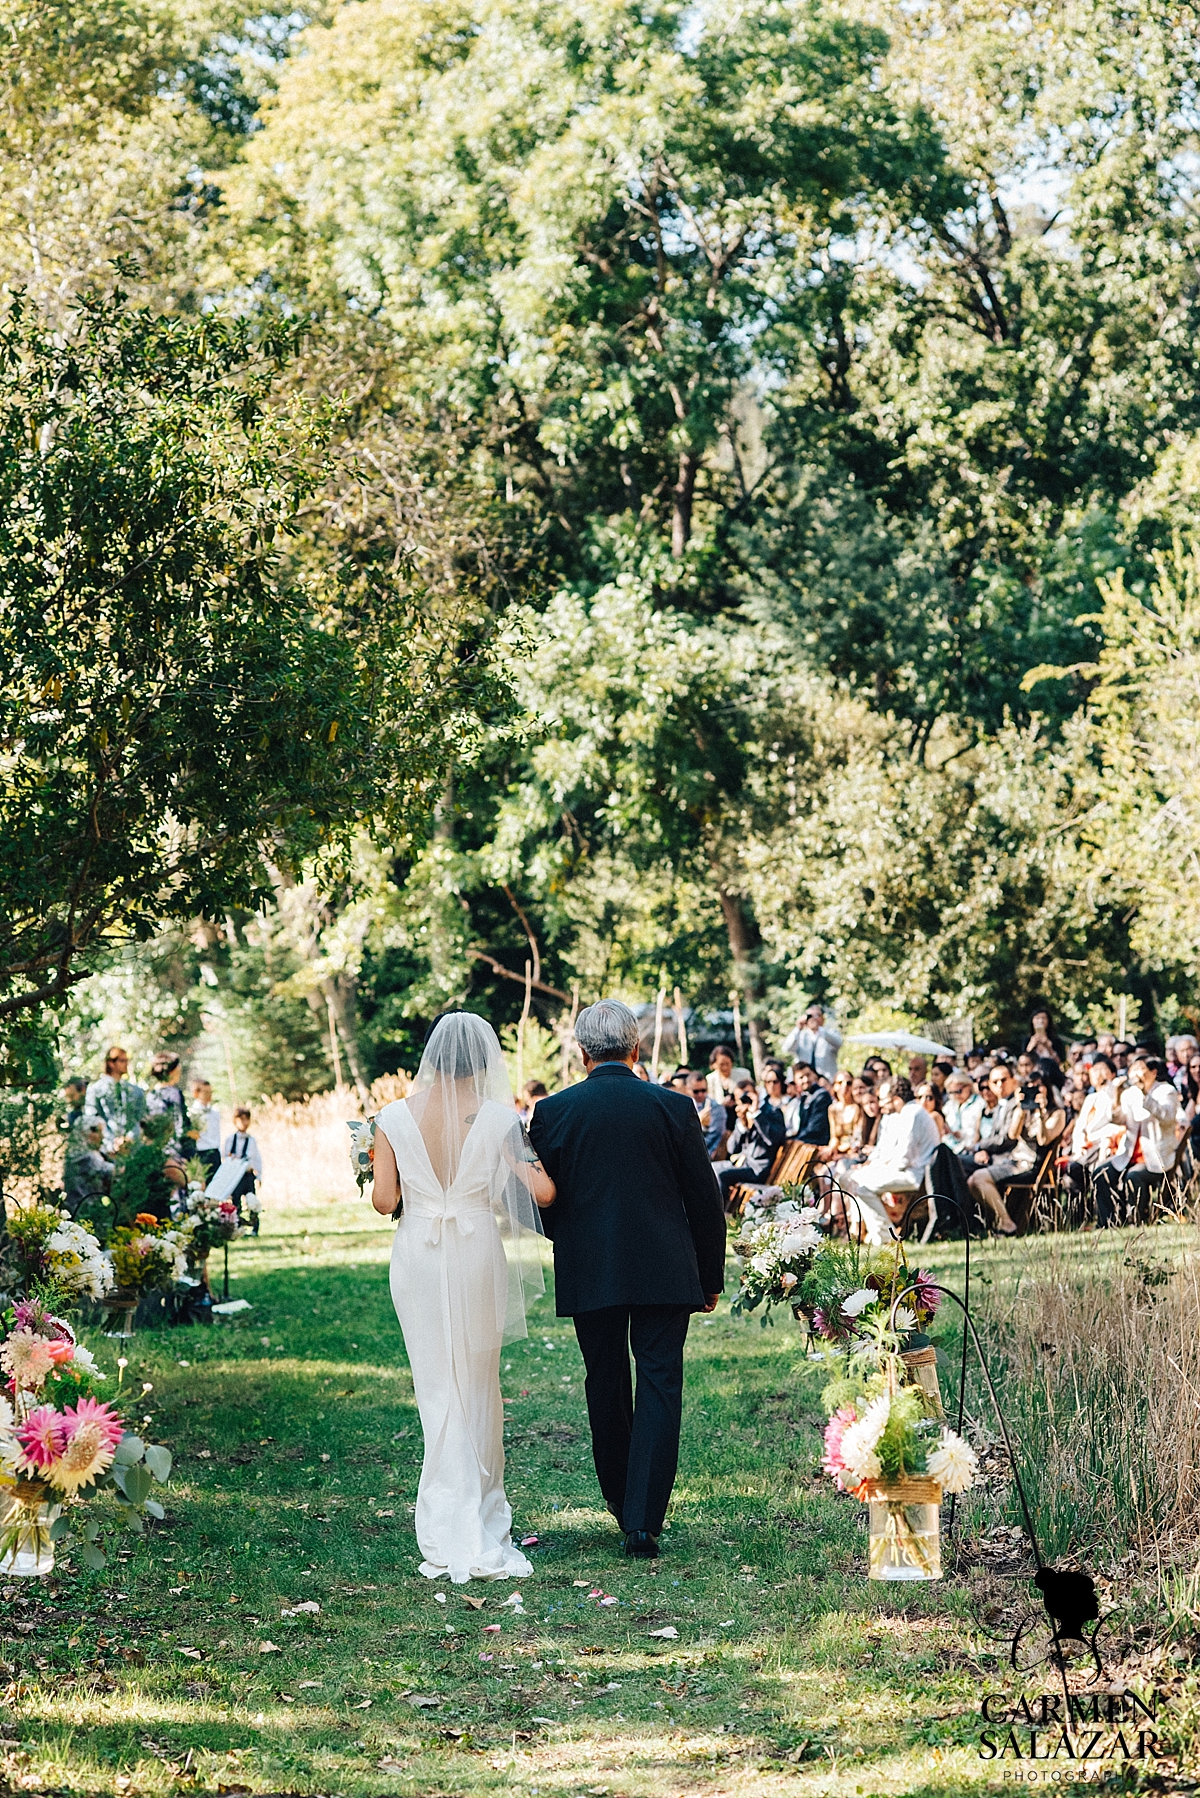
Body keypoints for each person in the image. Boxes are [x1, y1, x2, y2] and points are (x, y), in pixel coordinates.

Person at [529, 998, 724, 1559]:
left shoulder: (555, 1112)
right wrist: (707, 1274)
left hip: (591, 1269)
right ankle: (643, 1519)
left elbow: (542, 1201)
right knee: (661, 1381)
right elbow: (703, 1200)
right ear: (635, 1049)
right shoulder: (673, 1106)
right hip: (666, 1266)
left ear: (582, 1052)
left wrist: (572, 1241)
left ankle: (621, 1502)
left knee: (605, 1380)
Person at [370, 1011, 553, 1583]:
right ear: (483, 1063)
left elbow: (382, 1201)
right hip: (475, 1252)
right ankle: (477, 1507)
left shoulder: (392, 1117)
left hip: (419, 1255)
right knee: (478, 1378)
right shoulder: (500, 1119)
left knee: (434, 1381)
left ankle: (445, 1514)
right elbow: (541, 1192)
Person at [845, 1077, 939, 1243]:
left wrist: (877, 1170)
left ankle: (885, 1237)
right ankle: (876, 1234)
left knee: (862, 1186)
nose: (880, 1104)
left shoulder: (912, 1114)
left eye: (883, 1099)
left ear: (896, 1099)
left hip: (914, 1175)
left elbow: (904, 1158)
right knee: (856, 1180)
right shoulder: (909, 1113)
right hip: (909, 1170)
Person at [969, 1071, 1064, 1232]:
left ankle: (1007, 1224)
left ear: (1046, 1088)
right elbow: (1013, 1134)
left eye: (1039, 1086)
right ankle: (998, 1222)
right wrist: (1021, 1110)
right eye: (1031, 1087)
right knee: (972, 1182)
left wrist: (1040, 1113)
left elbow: (1043, 1140)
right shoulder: (1024, 1110)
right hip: (1014, 1161)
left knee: (979, 1179)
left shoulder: (1057, 1113)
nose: (1035, 1090)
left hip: (1032, 1165)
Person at [1094, 1056, 1184, 1226]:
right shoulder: (1130, 1093)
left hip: (1156, 1156)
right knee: (1100, 1172)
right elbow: (1119, 1119)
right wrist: (1116, 1098)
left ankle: (1136, 1220)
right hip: (1128, 1154)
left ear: (1153, 1071)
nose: (1135, 1073)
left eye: (1140, 1068)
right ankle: (1107, 1222)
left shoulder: (1167, 1091)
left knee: (1134, 1176)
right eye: (1133, 1068)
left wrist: (1145, 1095)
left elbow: (1167, 1117)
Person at [713, 1077, 786, 1210]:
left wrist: (756, 1113)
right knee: (711, 1168)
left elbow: (772, 1140)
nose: (744, 1101)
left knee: (722, 1175)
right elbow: (731, 1148)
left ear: (756, 1094)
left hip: (758, 1168)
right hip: (743, 1163)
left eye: (747, 1095)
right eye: (740, 1098)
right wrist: (742, 1125)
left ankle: (720, 1214)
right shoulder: (742, 1116)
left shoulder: (772, 1112)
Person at [1061, 1056, 1122, 1202]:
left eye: (1102, 1070)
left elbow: (1114, 1122)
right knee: (1069, 1175)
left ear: (1112, 1074)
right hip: (1087, 1147)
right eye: (1094, 1071)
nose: (1097, 1074)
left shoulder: (1116, 1094)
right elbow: (1080, 1126)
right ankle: (1080, 1215)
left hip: (1105, 1144)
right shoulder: (1091, 1098)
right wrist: (1080, 1145)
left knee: (1078, 1169)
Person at [83, 1046, 147, 1152]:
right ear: (111, 1063)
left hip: (131, 1149)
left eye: (127, 1060)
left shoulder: (135, 1091)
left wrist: (129, 1138)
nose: (126, 1064)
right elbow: (92, 1118)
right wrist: (111, 1143)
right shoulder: (95, 1090)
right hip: (106, 1150)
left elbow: (140, 1118)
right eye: (122, 1060)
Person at [145, 1052, 192, 1156]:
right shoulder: (174, 1094)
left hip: (157, 1147)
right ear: (172, 1072)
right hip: (174, 1149)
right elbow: (179, 1122)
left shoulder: (151, 1094)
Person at [223, 1108, 263, 1229]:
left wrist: (259, 1175)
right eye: (241, 1119)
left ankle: (254, 1226)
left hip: (248, 1174)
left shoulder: (251, 1140)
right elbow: (225, 1157)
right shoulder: (230, 1140)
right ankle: (237, 1225)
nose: (244, 1122)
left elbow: (257, 1158)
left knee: (251, 1200)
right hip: (236, 1175)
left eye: (246, 1119)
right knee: (236, 1201)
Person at [780, 1005, 842, 1083]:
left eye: (817, 1015)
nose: (813, 1019)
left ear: (823, 1018)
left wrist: (819, 1029)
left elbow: (838, 1043)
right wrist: (798, 1028)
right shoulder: (801, 1036)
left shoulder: (830, 1033)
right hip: (806, 1082)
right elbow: (787, 1049)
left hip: (827, 1081)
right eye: (810, 1016)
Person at [784, 1062, 833, 1146]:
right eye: (801, 1077)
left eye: (808, 1075)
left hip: (818, 1143)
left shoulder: (821, 1096)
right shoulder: (803, 1097)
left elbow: (815, 1128)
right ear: (795, 1080)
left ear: (814, 1075)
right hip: (806, 1140)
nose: (806, 1080)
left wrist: (797, 1140)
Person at [942, 1071, 984, 1152]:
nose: (956, 1095)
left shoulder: (979, 1103)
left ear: (968, 1086)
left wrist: (961, 1134)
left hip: (970, 1148)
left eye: (958, 1091)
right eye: (952, 1092)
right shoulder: (949, 1105)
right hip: (949, 1148)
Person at [191, 1080, 222, 1181]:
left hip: (215, 1153)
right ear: (196, 1093)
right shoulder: (192, 1113)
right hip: (201, 1153)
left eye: (210, 1092)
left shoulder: (215, 1113)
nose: (209, 1095)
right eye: (205, 1092)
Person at [688, 1070, 723, 1156]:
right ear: (688, 1089)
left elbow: (715, 1136)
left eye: (703, 1090)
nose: (700, 1094)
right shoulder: (683, 1106)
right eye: (696, 1091)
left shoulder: (716, 1107)